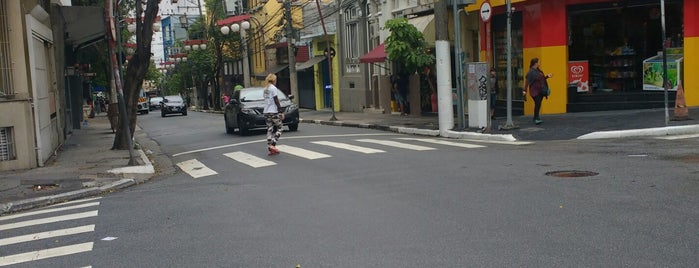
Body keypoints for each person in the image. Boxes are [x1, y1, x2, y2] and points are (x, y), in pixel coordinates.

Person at [524, 58, 552, 125]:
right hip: (534, 91)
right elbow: (527, 82)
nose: (540, 63)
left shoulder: (539, 71)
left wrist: (547, 76)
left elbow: (541, 79)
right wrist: (524, 91)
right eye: (539, 62)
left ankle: (536, 117)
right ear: (535, 63)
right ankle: (535, 118)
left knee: (538, 104)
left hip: (541, 90)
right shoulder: (531, 72)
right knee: (537, 103)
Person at [263, 74, 285, 155]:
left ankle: (269, 146)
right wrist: (281, 111)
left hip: (266, 111)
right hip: (273, 111)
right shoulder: (273, 88)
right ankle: (273, 144)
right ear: (273, 80)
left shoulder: (265, 89)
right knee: (280, 128)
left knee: (269, 129)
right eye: (275, 80)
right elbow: (276, 100)